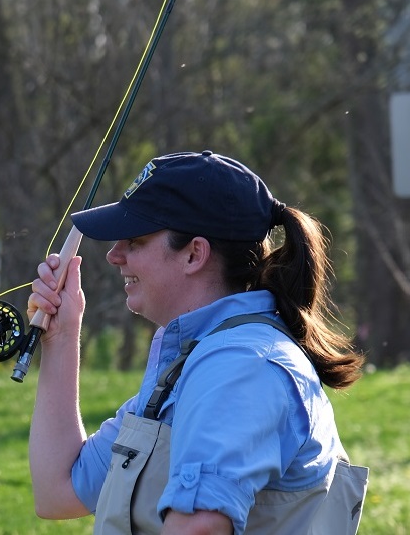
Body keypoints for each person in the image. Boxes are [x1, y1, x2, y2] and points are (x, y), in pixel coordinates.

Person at [25, 150, 368, 535]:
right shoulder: (197, 361)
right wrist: (62, 335)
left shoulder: (241, 366)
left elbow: (198, 528)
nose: (113, 255)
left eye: (135, 240)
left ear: (194, 254)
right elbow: (59, 491)